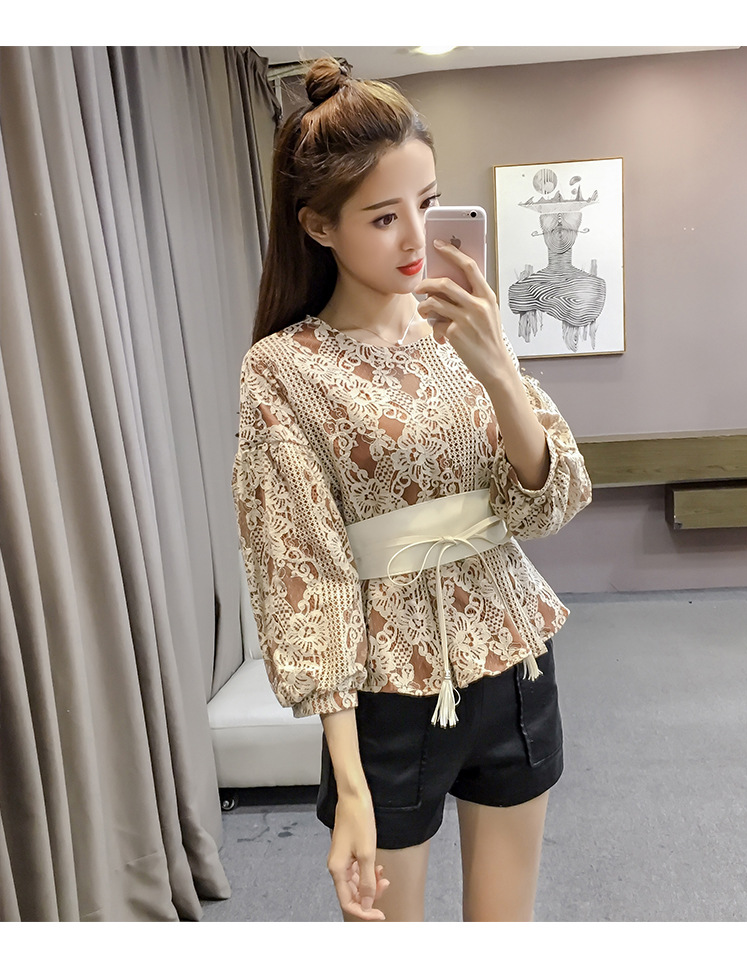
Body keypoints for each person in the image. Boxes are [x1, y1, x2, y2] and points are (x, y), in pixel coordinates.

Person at [231, 57, 592, 922]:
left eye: (426, 204)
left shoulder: (465, 324)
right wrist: (349, 785)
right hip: (389, 694)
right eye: (384, 216)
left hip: (516, 661)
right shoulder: (283, 371)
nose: (416, 239)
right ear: (318, 225)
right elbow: (305, 575)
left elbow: (551, 500)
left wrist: (497, 370)